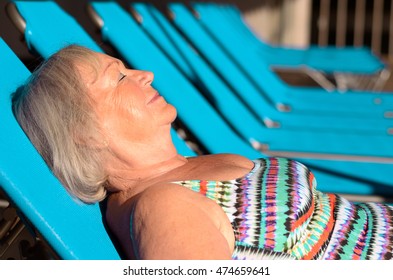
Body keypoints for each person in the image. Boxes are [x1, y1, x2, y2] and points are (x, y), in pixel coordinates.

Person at [12, 45, 393, 260]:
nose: (146, 74)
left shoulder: (182, 168)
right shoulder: (162, 206)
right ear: (85, 133)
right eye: (120, 77)